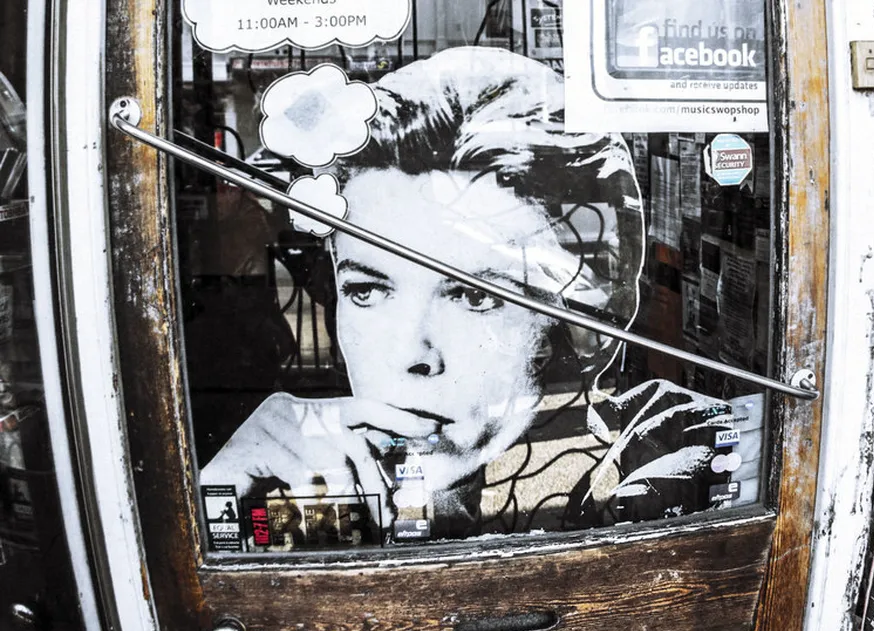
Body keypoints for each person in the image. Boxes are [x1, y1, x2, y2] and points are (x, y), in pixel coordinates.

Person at [201, 47, 755, 544]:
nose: (410, 353)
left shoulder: (674, 451)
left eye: (473, 296)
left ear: (582, 311)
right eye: (368, 290)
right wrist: (220, 500)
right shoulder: (323, 472)